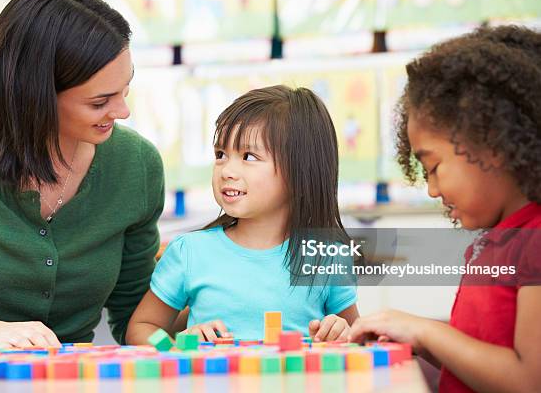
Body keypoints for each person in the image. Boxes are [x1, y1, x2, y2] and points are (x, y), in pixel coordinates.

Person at [0, 0, 164, 353]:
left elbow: (137, 316)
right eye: (100, 101)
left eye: (125, 88)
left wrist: (197, 322)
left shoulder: (137, 165)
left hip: (75, 382)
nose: (122, 112)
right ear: (34, 95)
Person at [348, 26, 541, 393]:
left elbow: (529, 379)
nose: (433, 189)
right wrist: (415, 338)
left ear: (492, 144)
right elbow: (481, 356)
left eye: (434, 168)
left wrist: (425, 331)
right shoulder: (496, 245)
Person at [126, 85, 359, 344]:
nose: (227, 170)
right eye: (221, 155)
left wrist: (341, 331)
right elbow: (141, 328)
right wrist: (179, 344)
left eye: (248, 156)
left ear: (300, 171)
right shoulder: (189, 252)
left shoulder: (325, 256)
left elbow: (357, 334)